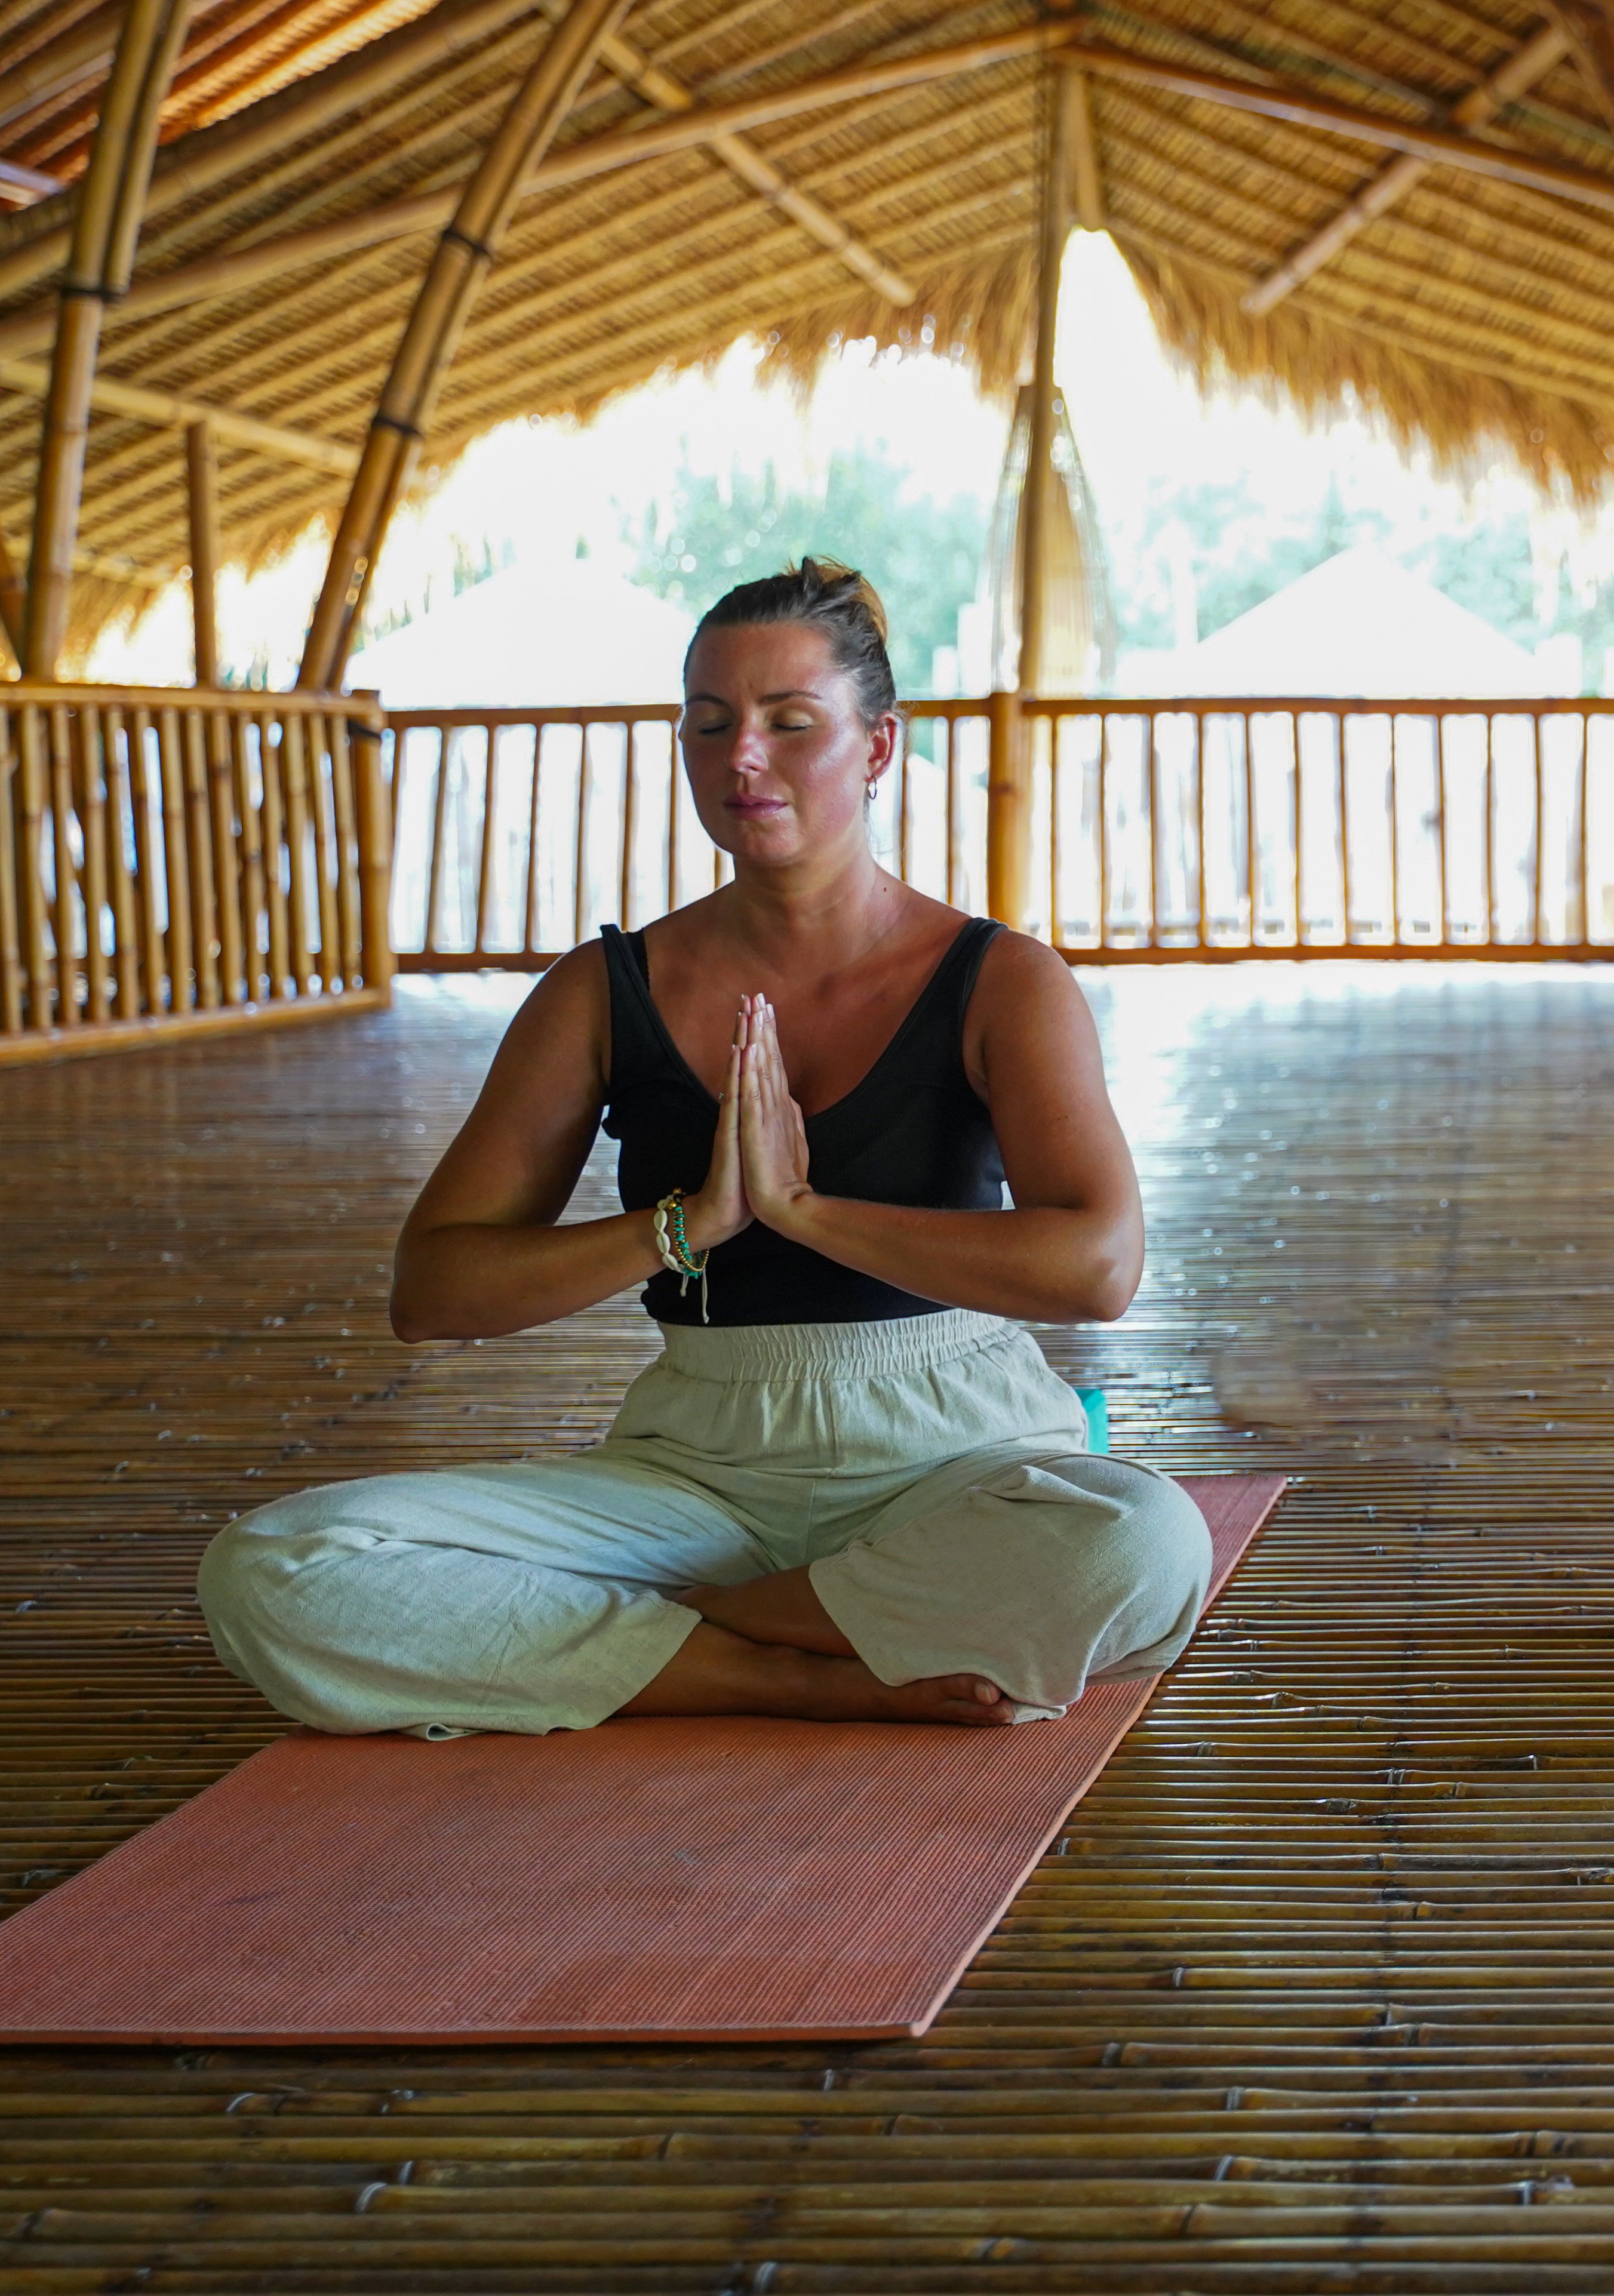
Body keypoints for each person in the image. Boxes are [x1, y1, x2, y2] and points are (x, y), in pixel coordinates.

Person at [198, 560, 1210, 1737]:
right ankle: (789, 1667)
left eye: (793, 723)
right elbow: (432, 1292)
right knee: (275, 1566)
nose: (743, 758)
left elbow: (1099, 1268)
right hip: (695, 1470)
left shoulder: (1001, 979)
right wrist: (687, 1226)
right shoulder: (607, 988)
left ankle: (653, 1629)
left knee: (1146, 1543)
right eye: (710, 723)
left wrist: (808, 1211)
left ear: (878, 747)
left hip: (956, 1456)